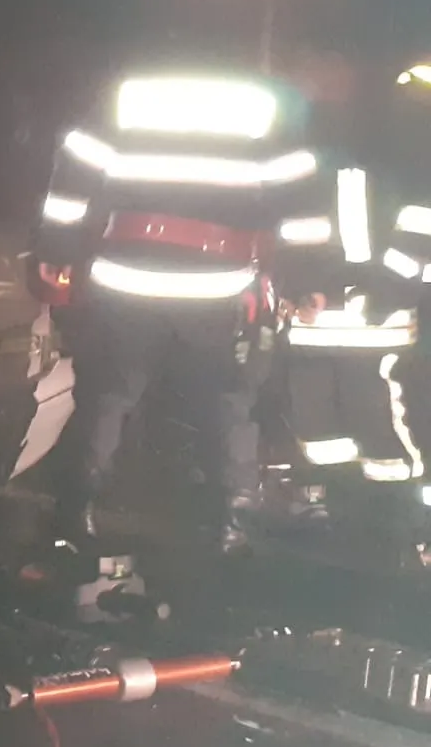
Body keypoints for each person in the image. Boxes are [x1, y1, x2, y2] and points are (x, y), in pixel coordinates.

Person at [34, 69, 319, 552]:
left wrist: (56, 248)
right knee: (227, 403)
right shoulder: (259, 104)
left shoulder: (130, 93)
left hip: (125, 278)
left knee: (107, 398)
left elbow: (74, 174)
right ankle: (230, 521)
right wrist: (308, 279)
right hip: (218, 286)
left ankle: (72, 514)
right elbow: (299, 200)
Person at [269, 49, 431, 528]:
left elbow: (417, 225)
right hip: (321, 322)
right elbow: (294, 230)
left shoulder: (400, 150)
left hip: (375, 321)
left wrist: (387, 291)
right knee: (319, 424)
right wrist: (300, 288)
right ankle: (342, 508)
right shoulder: (310, 151)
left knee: (379, 417)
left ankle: (399, 517)